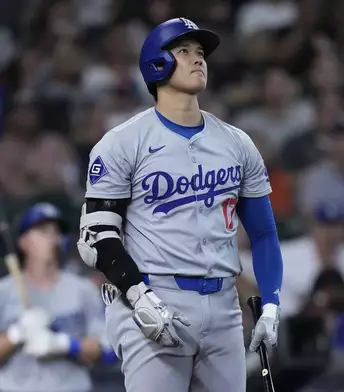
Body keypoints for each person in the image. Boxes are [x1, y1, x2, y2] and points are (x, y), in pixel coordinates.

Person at [76, 18, 284, 392]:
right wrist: (137, 293)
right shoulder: (123, 142)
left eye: (201, 53)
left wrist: (270, 303)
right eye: (184, 51)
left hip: (224, 304)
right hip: (154, 297)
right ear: (157, 63)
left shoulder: (237, 143)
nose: (197, 59)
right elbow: (96, 236)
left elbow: (265, 232)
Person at [0, 202, 116, 392]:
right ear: (23, 242)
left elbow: (108, 351)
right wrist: (15, 334)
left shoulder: (82, 290)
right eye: (42, 231)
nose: (52, 237)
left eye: (56, 231)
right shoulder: (3, 292)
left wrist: (64, 344)